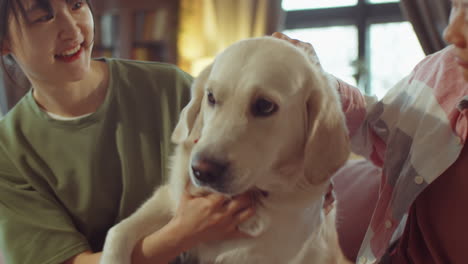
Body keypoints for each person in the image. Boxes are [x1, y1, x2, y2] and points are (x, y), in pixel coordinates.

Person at [0, 0, 256, 264]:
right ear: (4, 41)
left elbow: (254, 157)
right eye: (43, 17)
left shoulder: (171, 88)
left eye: (76, 5)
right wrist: (180, 234)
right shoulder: (8, 150)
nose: (72, 30)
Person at [274, 0, 468, 262]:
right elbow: (376, 129)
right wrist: (316, 80)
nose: (451, 32)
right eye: (456, 6)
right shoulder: (439, 69)